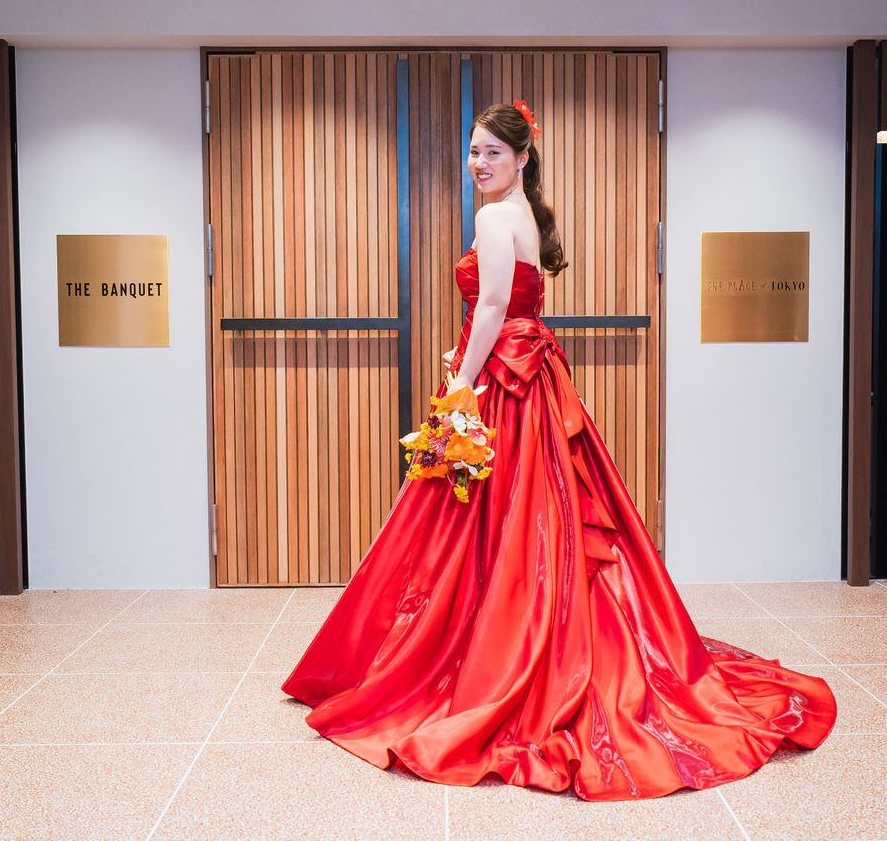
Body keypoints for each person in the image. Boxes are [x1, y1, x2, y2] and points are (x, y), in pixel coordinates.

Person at [280, 100, 837, 801]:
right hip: (530, 373)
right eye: (474, 151)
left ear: (521, 158)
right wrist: (470, 354)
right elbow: (513, 307)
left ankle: (486, 649)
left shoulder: (494, 218)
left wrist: (461, 383)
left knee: (489, 521)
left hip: (505, 379)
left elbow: (492, 308)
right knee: (538, 520)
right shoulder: (527, 217)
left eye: (492, 152)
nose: (478, 163)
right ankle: (522, 634)